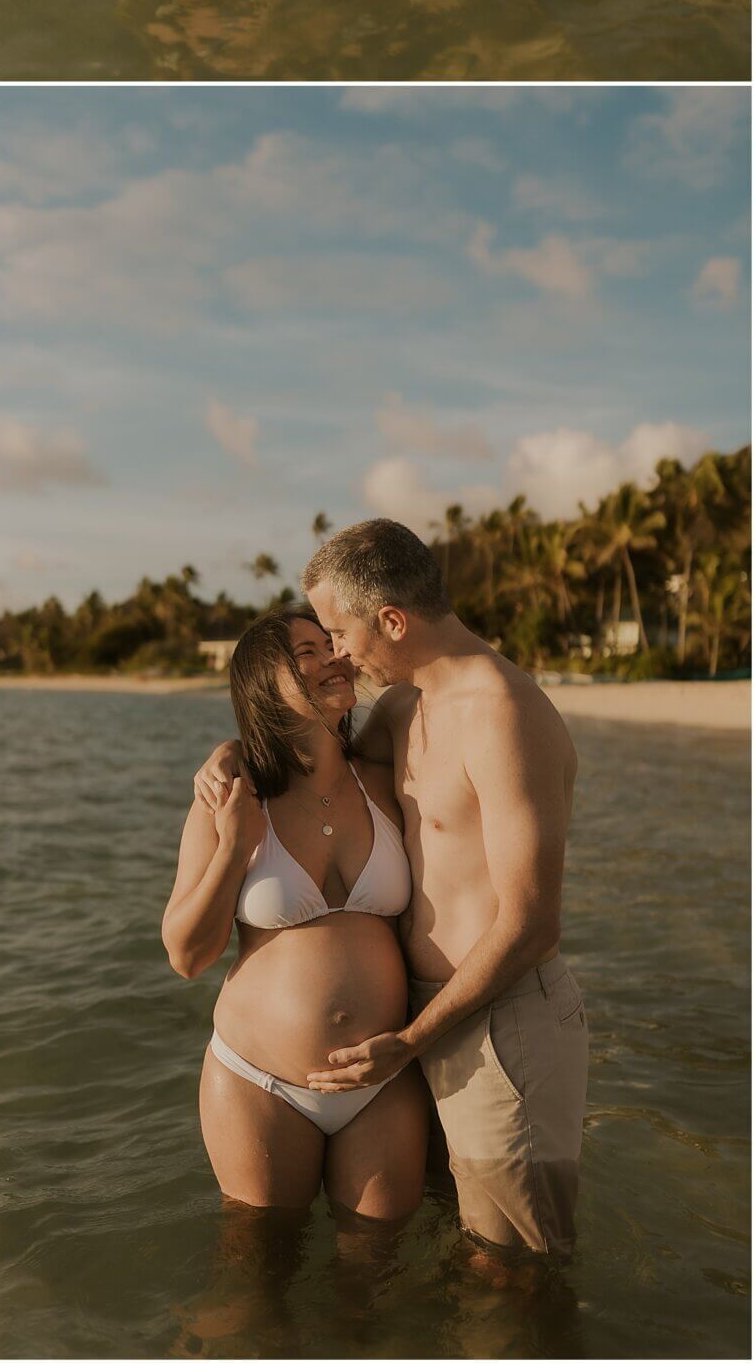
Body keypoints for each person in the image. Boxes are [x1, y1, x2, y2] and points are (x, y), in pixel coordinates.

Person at [195, 521, 589, 1270]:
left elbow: (533, 924)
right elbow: (316, 759)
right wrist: (230, 754)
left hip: (498, 1022)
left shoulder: (504, 714)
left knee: (514, 1269)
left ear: (393, 621)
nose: (338, 653)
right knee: (449, 1248)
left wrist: (409, 1041)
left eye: (339, 632)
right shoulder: (406, 710)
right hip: (424, 1017)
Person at [162, 605, 429, 1219]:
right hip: (260, 1081)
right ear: (264, 686)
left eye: (331, 645)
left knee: (373, 1282)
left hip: (381, 1079)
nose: (333, 658)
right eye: (306, 653)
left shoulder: (387, 783)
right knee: (255, 1279)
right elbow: (186, 956)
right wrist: (233, 846)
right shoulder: (228, 798)